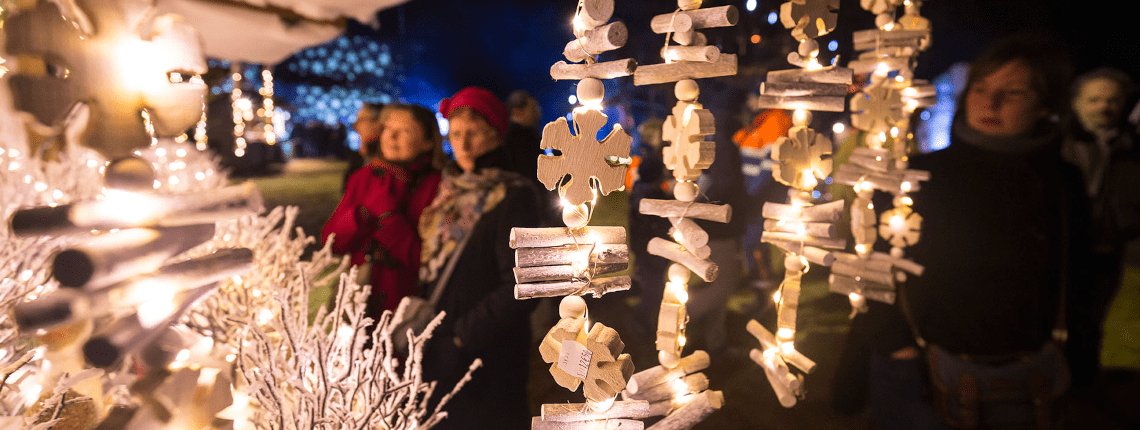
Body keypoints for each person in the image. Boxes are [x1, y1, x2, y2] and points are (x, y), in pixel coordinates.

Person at [850, 36, 1088, 429]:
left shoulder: (1063, 183)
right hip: (921, 371)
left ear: (1045, 105)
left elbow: (1080, 274)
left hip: (1028, 376)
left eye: (1013, 93)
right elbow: (865, 259)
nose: (990, 103)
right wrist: (893, 344)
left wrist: (1077, 352)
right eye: (980, 89)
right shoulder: (917, 177)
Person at [418, 87, 544, 430]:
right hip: (443, 341)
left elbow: (522, 284)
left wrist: (462, 337)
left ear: (496, 134)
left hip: (489, 348)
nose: (463, 144)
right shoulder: (447, 189)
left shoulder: (514, 194)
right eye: (456, 133)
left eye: (474, 132)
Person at [321, 103, 445, 318]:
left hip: (407, 305)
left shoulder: (439, 187)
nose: (392, 137)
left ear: (428, 142)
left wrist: (388, 217)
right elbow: (331, 242)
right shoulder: (365, 177)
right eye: (388, 128)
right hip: (360, 299)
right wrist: (361, 216)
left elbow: (425, 261)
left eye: (404, 131)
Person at [1061, 67, 1140, 388]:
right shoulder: (1058, 145)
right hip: (1064, 248)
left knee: (1098, 321)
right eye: (1094, 100)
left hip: (1112, 249)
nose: (1103, 107)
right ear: (1077, 103)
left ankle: (1087, 385)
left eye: (1112, 100)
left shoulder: (1133, 147)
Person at [342, 102, 384, 191]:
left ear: (377, 123)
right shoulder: (357, 159)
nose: (355, 125)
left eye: (361, 120)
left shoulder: (385, 167)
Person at [503, 89, 543, 179]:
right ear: (517, 112)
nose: (538, 114)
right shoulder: (521, 140)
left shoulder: (528, 136)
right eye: (533, 110)